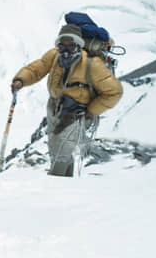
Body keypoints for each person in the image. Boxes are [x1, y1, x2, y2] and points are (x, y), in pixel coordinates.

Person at [11, 24, 123, 176]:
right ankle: (65, 187)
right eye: (62, 47)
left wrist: (92, 111)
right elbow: (37, 69)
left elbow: (114, 91)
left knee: (61, 151)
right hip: (55, 107)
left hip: (78, 112)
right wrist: (21, 79)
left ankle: (54, 185)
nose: (65, 51)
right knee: (54, 146)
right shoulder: (54, 56)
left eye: (71, 47)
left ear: (79, 46)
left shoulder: (92, 64)